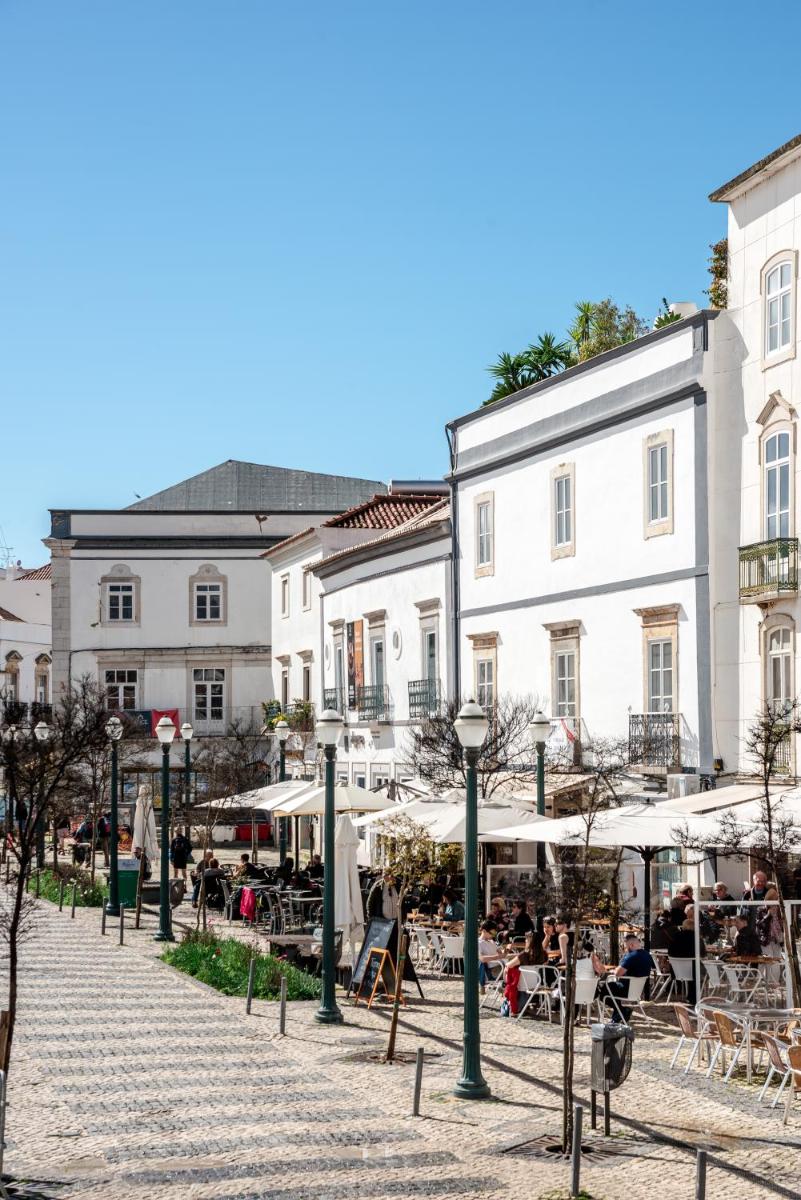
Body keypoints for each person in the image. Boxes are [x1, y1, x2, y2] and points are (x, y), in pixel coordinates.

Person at [600, 933, 655, 1022]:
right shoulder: (647, 955)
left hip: (626, 989)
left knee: (603, 990)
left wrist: (615, 970)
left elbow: (618, 973)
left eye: (626, 947)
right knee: (611, 987)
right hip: (638, 990)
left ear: (631, 945)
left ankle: (621, 1010)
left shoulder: (631, 956)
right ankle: (619, 1014)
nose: (625, 949)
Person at [478, 921, 504, 993]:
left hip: (500, 967)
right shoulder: (479, 943)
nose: (493, 935)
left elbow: (501, 953)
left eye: (495, 933)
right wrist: (498, 957)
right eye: (492, 933)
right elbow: (482, 959)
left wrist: (506, 950)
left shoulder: (491, 941)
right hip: (492, 970)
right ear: (484, 931)